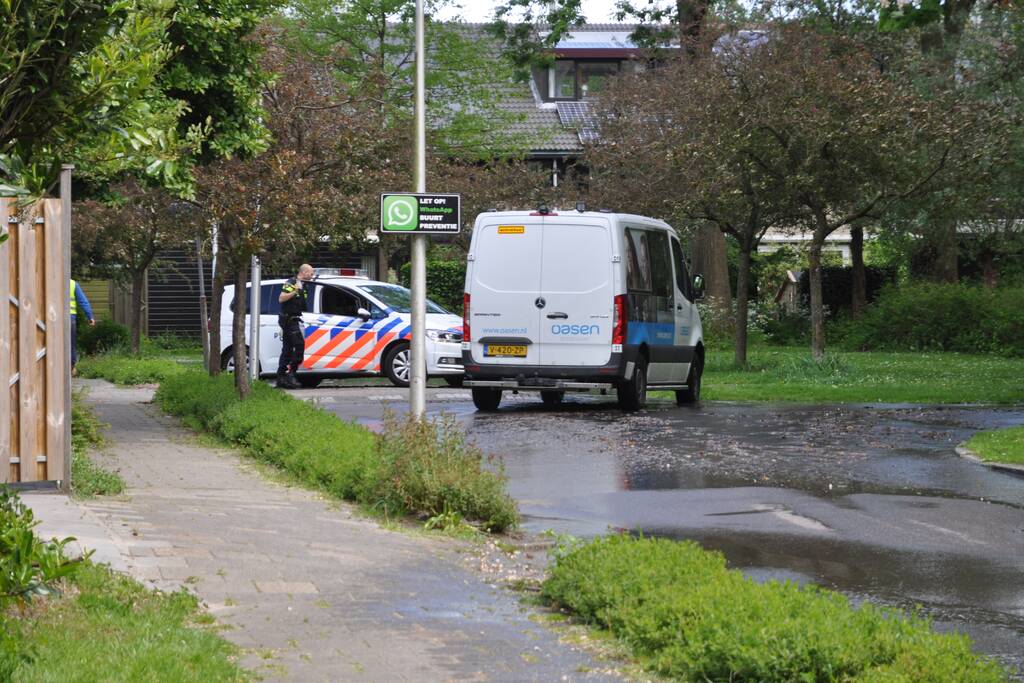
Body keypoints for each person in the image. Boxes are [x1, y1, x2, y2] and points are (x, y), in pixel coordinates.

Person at [276, 264, 314, 389]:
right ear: (303, 272)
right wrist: (294, 291)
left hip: (294, 319)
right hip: (288, 319)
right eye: (310, 273)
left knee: (287, 349)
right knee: (299, 346)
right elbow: (281, 298)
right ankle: (291, 374)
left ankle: (281, 377)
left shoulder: (304, 285)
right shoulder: (291, 283)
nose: (312, 275)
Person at [70, 279, 95, 375]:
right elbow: (83, 301)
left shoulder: (50, 280)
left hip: (53, 317)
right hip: (69, 317)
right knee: (71, 343)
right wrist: (90, 317)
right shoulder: (72, 284)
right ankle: (71, 366)